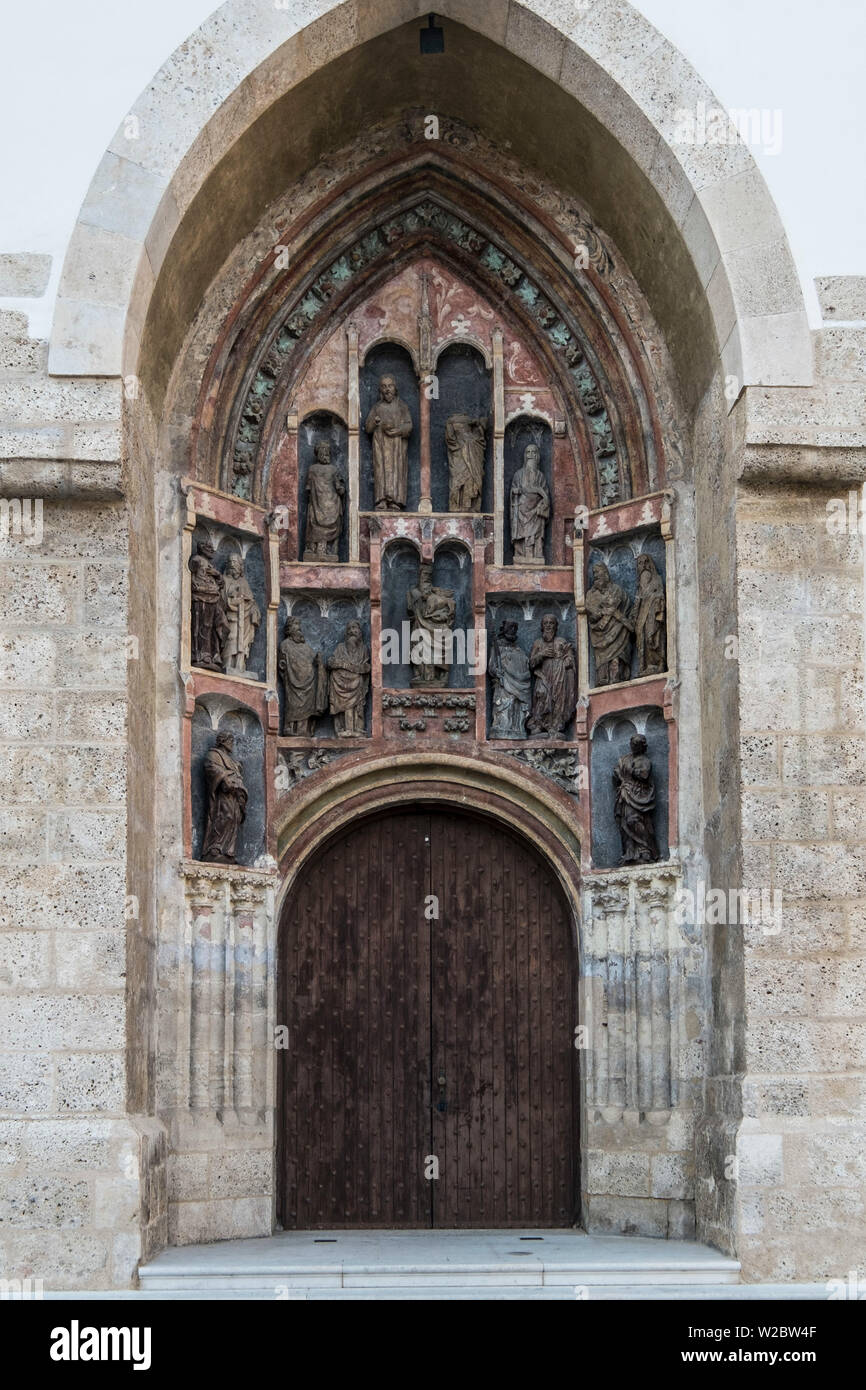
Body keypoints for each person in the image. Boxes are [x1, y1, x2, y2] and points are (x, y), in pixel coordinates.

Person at [365, 375, 412, 510]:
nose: (387, 390)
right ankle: (381, 500)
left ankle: (395, 501)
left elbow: (409, 426)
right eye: (384, 386)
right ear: (380, 389)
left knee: (397, 470)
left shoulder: (401, 406)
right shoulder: (377, 407)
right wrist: (375, 422)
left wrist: (397, 431)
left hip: (397, 446)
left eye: (390, 386)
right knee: (381, 471)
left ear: (395, 388)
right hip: (380, 445)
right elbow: (368, 428)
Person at [201, 731, 247, 863]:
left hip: (234, 795)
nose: (232, 744)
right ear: (223, 741)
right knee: (224, 817)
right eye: (230, 741)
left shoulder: (230, 760)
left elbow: (236, 772)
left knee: (234, 818)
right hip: (222, 795)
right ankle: (215, 847)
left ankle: (228, 850)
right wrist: (224, 777)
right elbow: (210, 768)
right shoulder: (214, 755)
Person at [527, 614, 576, 739]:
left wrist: (568, 661)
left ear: (556, 626)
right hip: (543, 675)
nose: (548, 625)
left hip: (559, 676)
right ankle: (539, 724)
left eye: (551, 623)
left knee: (558, 699)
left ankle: (556, 725)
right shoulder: (538, 643)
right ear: (542, 627)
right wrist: (541, 655)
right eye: (546, 623)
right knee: (541, 696)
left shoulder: (561, 641)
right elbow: (531, 663)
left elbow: (569, 657)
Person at [613, 734, 659, 864]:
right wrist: (618, 774)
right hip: (625, 794)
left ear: (642, 747)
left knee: (633, 820)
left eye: (636, 745)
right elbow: (617, 771)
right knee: (624, 823)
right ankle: (630, 852)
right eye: (632, 745)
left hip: (638, 795)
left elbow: (644, 775)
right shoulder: (626, 759)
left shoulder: (645, 761)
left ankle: (646, 849)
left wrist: (630, 772)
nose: (633, 747)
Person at [488, 619, 530, 738]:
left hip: (519, 685)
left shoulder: (518, 650)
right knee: (505, 706)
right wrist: (497, 672)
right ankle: (502, 728)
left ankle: (517, 729)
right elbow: (492, 666)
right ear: (505, 630)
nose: (512, 631)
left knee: (517, 707)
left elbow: (526, 665)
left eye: (514, 629)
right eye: (510, 628)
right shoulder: (497, 648)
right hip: (504, 686)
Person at [327, 620, 370, 736]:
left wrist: (353, 668)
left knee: (356, 703)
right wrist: (343, 665)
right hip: (341, 682)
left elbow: (366, 667)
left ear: (360, 632)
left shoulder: (363, 649)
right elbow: (331, 662)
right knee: (343, 703)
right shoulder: (341, 648)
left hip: (356, 683)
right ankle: (344, 728)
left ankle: (356, 728)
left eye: (355, 628)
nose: (352, 631)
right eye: (349, 629)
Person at [510, 443, 549, 562]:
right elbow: (513, 490)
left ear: (537, 456)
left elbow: (545, 494)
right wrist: (515, 491)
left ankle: (535, 554)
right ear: (525, 456)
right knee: (522, 533)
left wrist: (543, 501)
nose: (531, 455)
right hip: (521, 509)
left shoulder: (541, 476)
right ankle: (521, 553)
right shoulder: (518, 474)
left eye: (533, 452)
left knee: (535, 533)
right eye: (528, 452)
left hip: (536, 511)